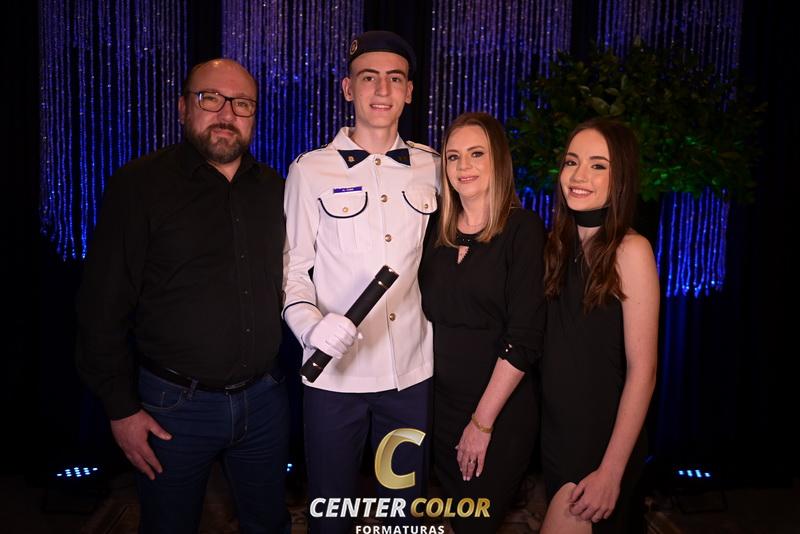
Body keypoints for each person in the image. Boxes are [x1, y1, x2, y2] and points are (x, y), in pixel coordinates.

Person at [76, 59, 289, 534]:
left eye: (242, 104)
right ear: (182, 107)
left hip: (265, 402)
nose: (227, 114)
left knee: (269, 524)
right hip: (173, 408)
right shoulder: (139, 186)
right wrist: (121, 408)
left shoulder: (276, 189)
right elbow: (101, 307)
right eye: (210, 98)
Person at [282, 31, 439, 533]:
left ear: (409, 92)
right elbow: (293, 270)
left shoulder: (433, 166)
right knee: (331, 513)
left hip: (409, 375)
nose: (382, 90)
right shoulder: (310, 171)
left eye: (395, 79)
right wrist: (310, 326)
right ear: (348, 89)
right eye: (369, 78)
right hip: (335, 377)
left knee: (402, 513)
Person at [419, 111, 545, 533]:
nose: (463, 166)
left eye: (477, 154)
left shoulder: (523, 229)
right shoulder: (434, 230)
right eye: (453, 156)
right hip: (440, 409)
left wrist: (482, 422)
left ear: (499, 161)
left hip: (497, 412)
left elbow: (525, 337)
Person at [540, 118, 659, 533]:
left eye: (597, 165)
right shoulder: (555, 246)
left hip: (600, 442)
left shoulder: (631, 250)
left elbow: (643, 372)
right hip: (555, 438)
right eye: (572, 162)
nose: (579, 176)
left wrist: (611, 470)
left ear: (620, 176)